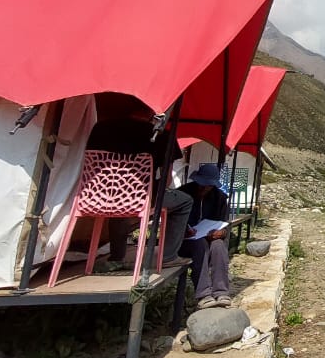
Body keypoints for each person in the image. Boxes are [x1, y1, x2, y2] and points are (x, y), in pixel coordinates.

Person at [85, 93, 192, 270]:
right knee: (185, 201)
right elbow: (165, 179)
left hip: (99, 193)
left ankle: (116, 257)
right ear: (153, 110)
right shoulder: (161, 136)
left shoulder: (100, 128)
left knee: (117, 197)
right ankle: (168, 256)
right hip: (140, 196)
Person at [180, 163, 233, 309]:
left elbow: (224, 225)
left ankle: (221, 292)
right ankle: (203, 294)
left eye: (208, 186)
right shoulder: (183, 193)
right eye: (201, 184)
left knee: (219, 246)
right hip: (185, 241)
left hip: (209, 239)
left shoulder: (219, 198)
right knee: (200, 245)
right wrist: (185, 229)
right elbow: (173, 220)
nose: (203, 188)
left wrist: (221, 232)